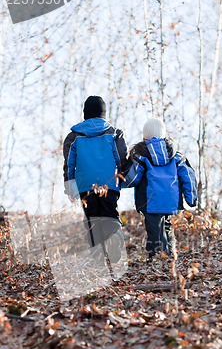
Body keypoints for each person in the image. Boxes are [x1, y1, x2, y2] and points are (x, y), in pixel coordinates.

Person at [63, 96, 128, 261]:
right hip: (109, 182)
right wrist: (121, 177)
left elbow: (69, 164)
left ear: (85, 113)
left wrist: (70, 186)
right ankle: (114, 237)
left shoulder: (73, 136)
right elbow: (120, 157)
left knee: (92, 219)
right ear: (103, 113)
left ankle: (97, 260)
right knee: (109, 213)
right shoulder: (114, 133)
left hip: (85, 184)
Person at [123, 117, 197, 258]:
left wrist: (120, 181)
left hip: (150, 200)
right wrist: (191, 197)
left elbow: (133, 178)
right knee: (167, 227)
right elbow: (188, 174)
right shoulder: (176, 154)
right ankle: (170, 257)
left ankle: (157, 260)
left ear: (145, 136)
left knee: (155, 231)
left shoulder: (141, 154)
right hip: (171, 199)